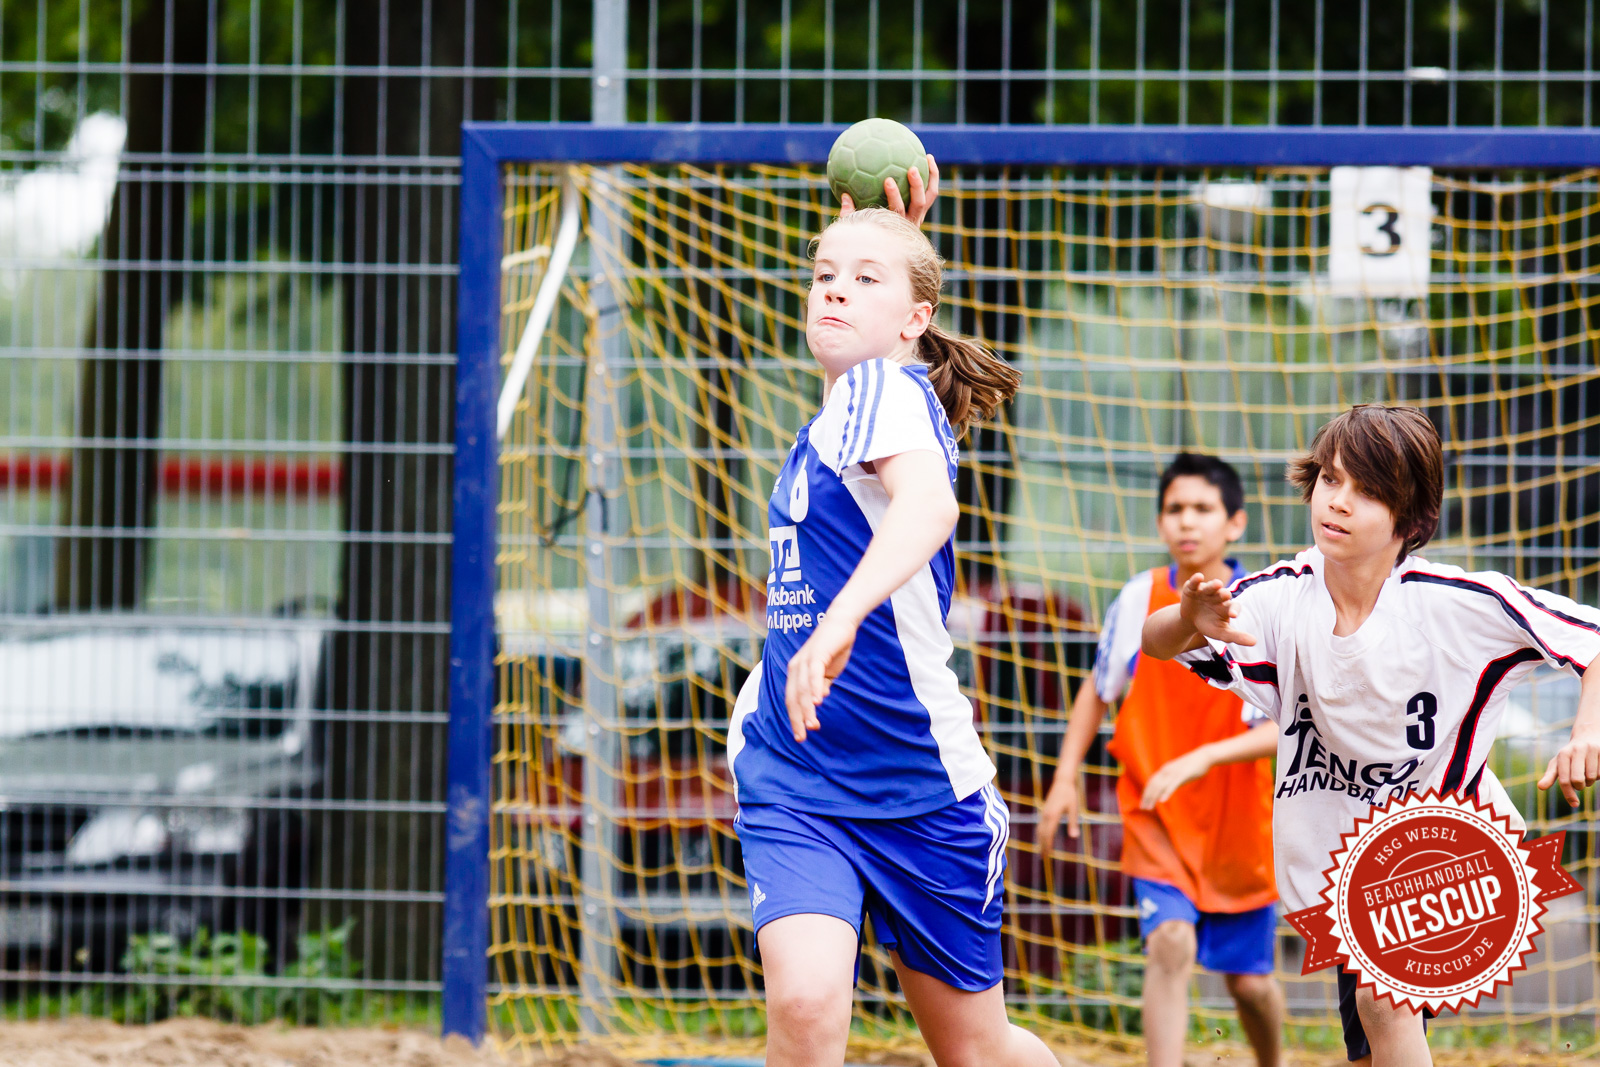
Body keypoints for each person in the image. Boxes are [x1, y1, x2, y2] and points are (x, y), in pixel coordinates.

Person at [1140, 404, 1600, 1067]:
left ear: (1411, 520)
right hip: (1348, 871)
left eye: (1367, 490)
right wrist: (1188, 615)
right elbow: (1156, 643)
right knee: (1370, 1039)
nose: (1339, 501)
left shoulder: (1454, 605)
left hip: (1454, 850)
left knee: (1382, 1003)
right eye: (1330, 479)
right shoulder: (1280, 598)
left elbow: (1590, 640)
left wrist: (1586, 730)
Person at [728, 200, 1056, 1067]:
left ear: (916, 321)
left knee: (975, 1050)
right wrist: (875, 237)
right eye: (823, 276)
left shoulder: (886, 390)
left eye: (863, 283)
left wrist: (838, 623)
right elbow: (866, 331)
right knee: (803, 1005)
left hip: (923, 789)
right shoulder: (841, 410)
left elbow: (930, 507)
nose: (832, 292)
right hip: (797, 773)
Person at [1038, 453, 1285, 1067]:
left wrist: (1203, 757)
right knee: (1169, 942)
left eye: (1202, 509)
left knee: (1249, 984)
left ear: (1235, 524)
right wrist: (1065, 778)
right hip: (1156, 810)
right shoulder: (1137, 599)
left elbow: (1288, 727)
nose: (1186, 521)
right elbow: (1098, 693)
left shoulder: (1264, 607)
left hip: (1237, 825)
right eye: (1175, 509)